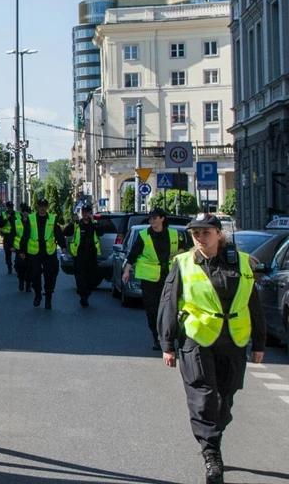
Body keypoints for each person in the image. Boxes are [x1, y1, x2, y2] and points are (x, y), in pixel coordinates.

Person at [158, 214, 265, 484]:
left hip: (233, 340)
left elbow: (254, 304)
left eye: (205, 232)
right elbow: (169, 303)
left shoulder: (242, 262)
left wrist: (259, 343)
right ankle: (211, 452)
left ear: (219, 234)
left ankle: (213, 435)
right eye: (195, 233)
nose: (200, 237)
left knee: (225, 399)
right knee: (202, 396)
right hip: (197, 338)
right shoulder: (183, 263)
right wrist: (167, 344)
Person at [123, 207, 189, 350]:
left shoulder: (174, 234)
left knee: (171, 308)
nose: (152, 221)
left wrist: (177, 252)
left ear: (162, 219)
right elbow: (133, 254)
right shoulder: (143, 235)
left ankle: (171, 336)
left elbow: (188, 248)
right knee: (152, 310)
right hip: (150, 279)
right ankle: (157, 338)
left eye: (155, 218)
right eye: (150, 219)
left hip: (170, 277)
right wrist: (127, 271)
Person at [20, 199, 67, 309]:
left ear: (47, 207)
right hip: (34, 252)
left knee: (50, 276)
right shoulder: (31, 218)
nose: (42, 208)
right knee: (34, 275)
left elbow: (58, 233)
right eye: (40, 206)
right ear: (37, 207)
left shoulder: (52, 218)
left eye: (44, 206)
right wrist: (22, 251)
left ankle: (48, 298)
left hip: (49, 252)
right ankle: (37, 294)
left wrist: (63, 246)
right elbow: (25, 235)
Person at [64, 206, 100, 307]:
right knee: (80, 277)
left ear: (90, 213)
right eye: (83, 212)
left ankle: (87, 293)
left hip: (91, 255)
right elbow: (66, 232)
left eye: (87, 212)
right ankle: (83, 296)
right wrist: (72, 222)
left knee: (92, 277)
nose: (85, 214)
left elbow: (101, 232)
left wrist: (94, 223)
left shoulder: (94, 224)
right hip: (79, 254)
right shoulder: (77, 224)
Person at [13, 204, 33, 292]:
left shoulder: (33, 223)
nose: (27, 214)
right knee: (20, 266)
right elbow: (12, 234)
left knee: (30, 267)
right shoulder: (17, 222)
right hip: (19, 247)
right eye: (25, 212)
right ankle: (21, 280)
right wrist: (11, 246)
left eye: (28, 212)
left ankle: (28, 284)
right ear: (22, 213)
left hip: (31, 247)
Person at [0, 201, 17, 275]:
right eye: (9, 207)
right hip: (7, 236)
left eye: (11, 207)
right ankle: (9, 267)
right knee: (7, 253)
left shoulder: (17, 214)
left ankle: (17, 265)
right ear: (7, 207)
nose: (10, 208)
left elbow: (18, 222)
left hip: (15, 236)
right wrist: (6, 219)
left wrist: (12, 218)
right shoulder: (3, 214)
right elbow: (0, 225)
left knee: (18, 251)